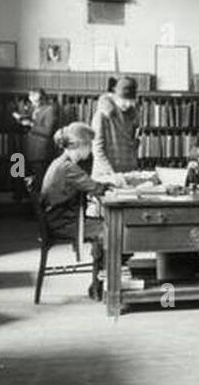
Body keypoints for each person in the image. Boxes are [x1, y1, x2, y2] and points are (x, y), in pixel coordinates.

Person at [40, 122, 121, 300]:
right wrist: (113, 186)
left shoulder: (61, 162)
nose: (91, 149)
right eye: (90, 145)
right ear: (81, 145)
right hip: (64, 223)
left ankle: (100, 283)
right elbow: (95, 188)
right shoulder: (68, 167)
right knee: (115, 231)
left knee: (110, 227)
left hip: (60, 219)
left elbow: (89, 186)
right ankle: (103, 286)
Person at [91, 76, 141, 180]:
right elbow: (97, 149)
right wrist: (111, 174)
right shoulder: (101, 115)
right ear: (114, 97)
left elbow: (132, 145)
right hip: (106, 174)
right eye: (123, 100)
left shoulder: (132, 115)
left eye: (130, 101)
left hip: (127, 173)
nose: (127, 104)